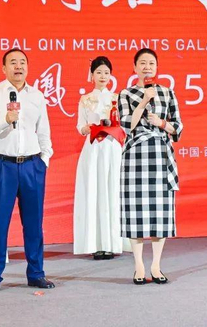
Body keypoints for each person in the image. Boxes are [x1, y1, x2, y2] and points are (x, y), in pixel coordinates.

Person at [0, 49, 54, 293]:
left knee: (34, 223)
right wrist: (5, 120)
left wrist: (44, 160)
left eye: (22, 62)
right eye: (13, 63)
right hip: (3, 165)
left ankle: (36, 273)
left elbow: (44, 130)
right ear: (3, 68)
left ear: (27, 67)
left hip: (32, 165)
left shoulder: (37, 96)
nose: (18, 66)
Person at [118, 48, 183, 285]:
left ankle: (156, 265)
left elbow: (178, 127)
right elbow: (127, 125)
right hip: (135, 158)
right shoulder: (126, 93)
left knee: (160, 215)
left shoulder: (167, 93)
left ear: (157, 67)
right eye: (143, 63)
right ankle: (138, 265)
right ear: (135, 67)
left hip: (160, 156)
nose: (147, 67)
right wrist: (145, 99)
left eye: (151, 63)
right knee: (135, 213)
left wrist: (162, 123)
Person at [73, 56, 130, 259]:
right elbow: (80, 126)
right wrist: (87, 128)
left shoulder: (118, 98)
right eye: (99, 72)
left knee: (112, 190)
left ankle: (113, 243)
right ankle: (96, 243)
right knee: (94, 191)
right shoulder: (85, 99)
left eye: (106, 73)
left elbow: (125, 124)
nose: (103, 76)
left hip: (112, 148)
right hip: (93, 148)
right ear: (92, 75)